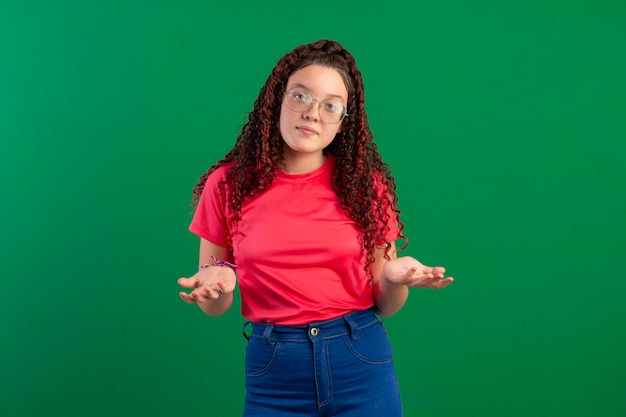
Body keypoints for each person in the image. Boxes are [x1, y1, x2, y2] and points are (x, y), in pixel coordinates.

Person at [177, 39, 454, 417]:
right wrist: (217, 284)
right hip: (274, 370)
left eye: (330, 105)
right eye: (301, 97)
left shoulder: (365, 187)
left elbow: (386, 304)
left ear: (344, 121)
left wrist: (395, 275)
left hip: (360, 360)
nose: (312, 113)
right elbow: (215, 300)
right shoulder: (228, 185)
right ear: (277, 100)